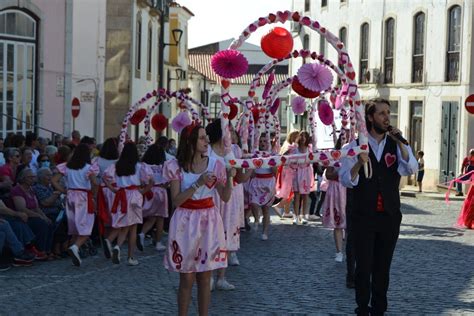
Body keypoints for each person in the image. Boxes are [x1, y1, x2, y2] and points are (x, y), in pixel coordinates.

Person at [339, 98, 417, 315]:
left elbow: (411, 168)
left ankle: (379, 308)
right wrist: (358, 163)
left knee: (383, 267)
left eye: (388, 113)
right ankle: (362, 306)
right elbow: (346, 180)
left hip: (389, 217)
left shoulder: (397, 144)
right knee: (363, 266)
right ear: (370, 117)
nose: (386, 117)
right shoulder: (353, 147)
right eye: (381, 113)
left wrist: (402, 143)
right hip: (363, 216)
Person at [162, 123, 234, 316]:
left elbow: (225, 197)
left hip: (208, 220)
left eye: (206, 138)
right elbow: (176, 200)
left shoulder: (214, 164)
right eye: (202, 138)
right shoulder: (175, 166)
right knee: (186, 278)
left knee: (205, 277)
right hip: (184, 221)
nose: (207, 141)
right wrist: (198, 183)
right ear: (190, 141)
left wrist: (230, 177)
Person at [102, 142, 153, 266]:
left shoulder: (117, 165)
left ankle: (116, 246)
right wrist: (143, 191)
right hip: (134, 194)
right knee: (133, 227)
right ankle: (130, 256)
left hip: (121, 194)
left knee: (124, 223)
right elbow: (151, 181)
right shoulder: (140, 166)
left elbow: (104, 177)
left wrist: (113, 189)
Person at [52, 143, 99, 267]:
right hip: (83, 196)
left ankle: (75, 250)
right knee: (86, 226)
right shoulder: (89, 168)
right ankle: (75, 247)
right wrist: (94, 194)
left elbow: (53, 180)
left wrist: (64, 190)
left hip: (71, 196)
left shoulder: (67, 167)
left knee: (74, 226)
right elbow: (95, 182)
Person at [10, 167, 54, 260]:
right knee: (41, 224)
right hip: (23, 217)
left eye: (34, 177)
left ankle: (47, 250)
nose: (33, 179)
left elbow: (37, 207)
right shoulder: (17, 190)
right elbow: (22, 208)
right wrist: (39, 216)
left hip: (33, 215)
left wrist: (44, 216)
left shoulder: (31, 190)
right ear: (23, 178)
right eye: (30, 177)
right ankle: (40, 250)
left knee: (49, 222)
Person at [138, 143, 169, 252]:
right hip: (160, 191)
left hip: (149, 191)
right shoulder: (163, 167)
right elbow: (167, 181)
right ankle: (158, 242)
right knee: (160, 218)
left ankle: (142, 234)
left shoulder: (144, 165)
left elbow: (142, 180)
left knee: (151, 217)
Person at [33, 167, 68, 258]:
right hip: (46, 212)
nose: (51, 177)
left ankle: (65, 246)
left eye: (51, 175)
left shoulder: (49, 187)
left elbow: (58, 202)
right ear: (41, 177)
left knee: (69, 219)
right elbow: (46, 203)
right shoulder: (37, 188)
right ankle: (57, 249)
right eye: (48, 175)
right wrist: (56, 195)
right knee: (57, 221)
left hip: (57, 211)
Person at [321, 136, 347, 263]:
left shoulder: (354, 154)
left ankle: (351, 250)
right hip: (337, 190)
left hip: (349, 190)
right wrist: (341, 174)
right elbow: (328, 174)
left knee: (350, 222)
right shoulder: (334, 156)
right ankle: (339, 252)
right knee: (338, 223)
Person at [248, 134, 276, 240]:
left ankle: (265, 232)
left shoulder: (272, 155)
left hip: (268, 182)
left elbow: (275, 171)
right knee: (254, 203)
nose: (262, 143)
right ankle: (256, 218)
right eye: (261, 141)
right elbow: (251, 169)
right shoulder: (254, 154)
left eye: (265, 141)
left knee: (266, 208)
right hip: (257, 182)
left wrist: (271, 162)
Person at [273, 130, 299, 218]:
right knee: (288, 192)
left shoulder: (287, 144)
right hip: (289, 171)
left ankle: (287, 211)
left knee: (289, 192)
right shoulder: (290, 146)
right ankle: (278, 206)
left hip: (286, 170)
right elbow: (283, 156)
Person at [290, 131, 314, 225]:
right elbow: (291, 161)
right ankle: (296, 216)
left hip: (307, 172)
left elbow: (313, 159)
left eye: (305, 136)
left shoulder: (310, 148)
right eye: (302, 136)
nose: (303, 138)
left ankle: (304, 216)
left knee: (305, 195)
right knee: (296, 195)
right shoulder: (295, 149)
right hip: (297, 172)